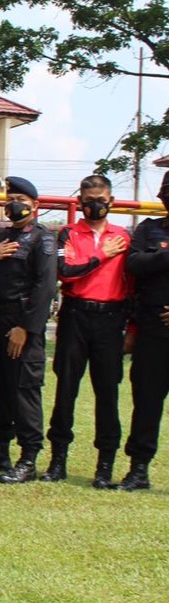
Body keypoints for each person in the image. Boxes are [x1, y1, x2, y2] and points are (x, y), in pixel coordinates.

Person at [42, 174, 132, 487]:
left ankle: (105, 466)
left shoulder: (124, 236)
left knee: (107, 392)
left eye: (101, 200)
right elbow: (65, 272)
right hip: (75, 317)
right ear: (80, 202)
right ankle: (57, 462)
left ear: (111, 202)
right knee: (66, 389)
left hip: (110, 319)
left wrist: (131, 327)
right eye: (88, 200)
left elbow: (133, 284)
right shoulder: (69, 233)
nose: (95, 205)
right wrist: (102, 254)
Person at [0, 177, 57, 484]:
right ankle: (0, 450)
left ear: (35, 205)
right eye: (10, 197)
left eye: (21, 199)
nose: (14, 203)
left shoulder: (43, 239)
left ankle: (28, 458)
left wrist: (25, 327)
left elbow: (45, 286)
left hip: (23, 324)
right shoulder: (2, 236)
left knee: (24, 391)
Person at [117, 171, 169, 491]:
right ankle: (138, 470)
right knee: (146, 403)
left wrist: (157, 258)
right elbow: (134, 264)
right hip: (153, 333)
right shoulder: (148, 229)